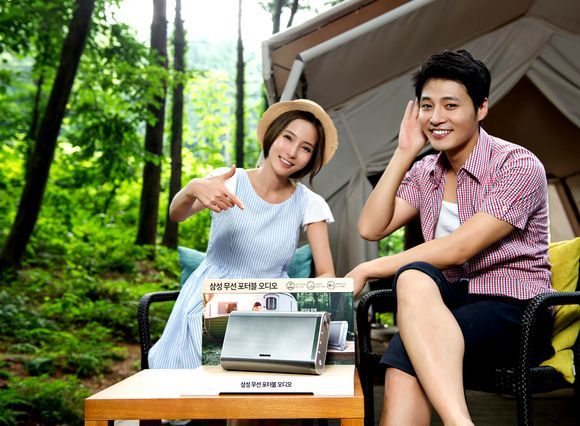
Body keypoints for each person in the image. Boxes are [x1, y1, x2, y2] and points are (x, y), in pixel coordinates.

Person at [347, 50, 554, 425]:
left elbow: (460, 248)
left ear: (481, 108)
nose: (436, 117)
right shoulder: (427, 170)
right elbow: (371, 227)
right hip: (448, 306)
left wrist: (368, 268)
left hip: (516, 311)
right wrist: (403, 152)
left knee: (403, 357)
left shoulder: (517, 165)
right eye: (427, 106)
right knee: (413, 276)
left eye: (451, 105)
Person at [149, 99, 338, 369]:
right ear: (272, 135)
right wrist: (192, 188)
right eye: (288, 137)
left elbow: (326, 273)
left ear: (311, 158)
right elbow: (176, 214)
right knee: (196, 384)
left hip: (269, 309)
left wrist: (308, 306)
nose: (292, 152)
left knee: (256, 387)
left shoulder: (310, 203)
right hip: (209, 303)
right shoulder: (228, 181)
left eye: (306, 148)